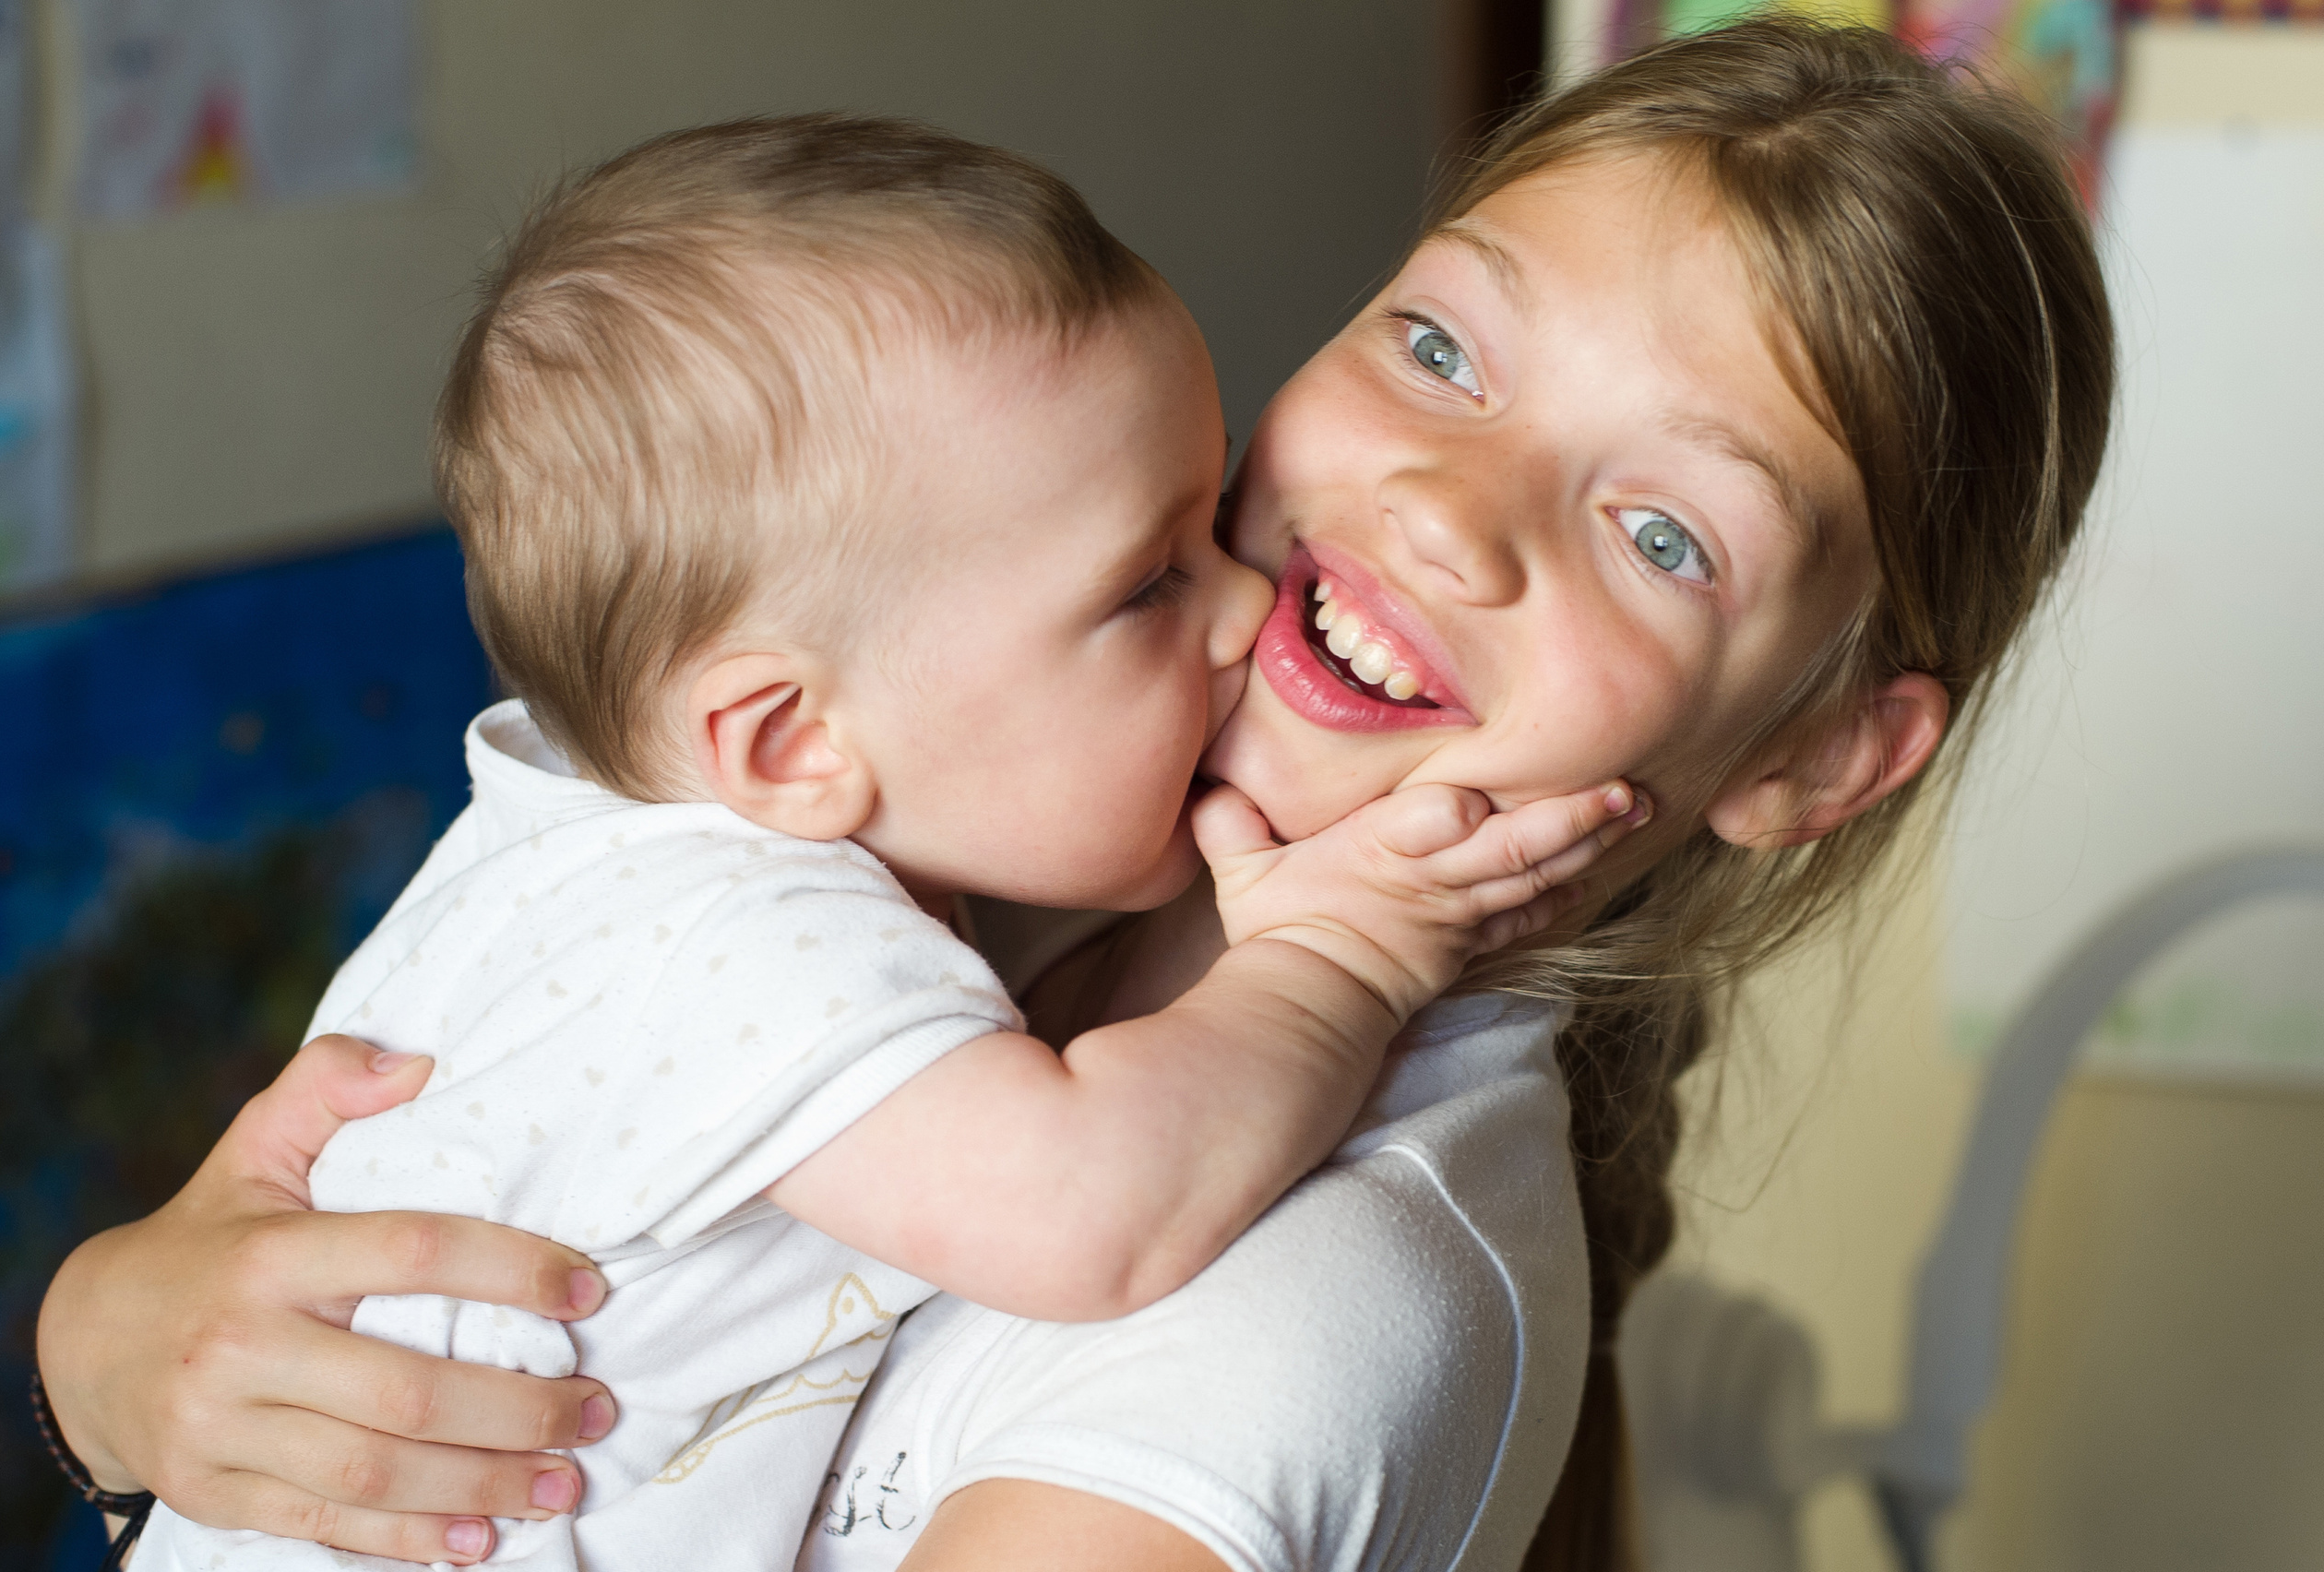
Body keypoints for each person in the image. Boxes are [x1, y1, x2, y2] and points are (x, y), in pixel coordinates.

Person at [35, 21, 2114, 1572]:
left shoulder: (1308, 1308)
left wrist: (1348, 955)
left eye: (1663, 536)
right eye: (1440, 350)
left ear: (1808, 755)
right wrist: (108, 1354)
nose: (1443, 512)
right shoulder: (887, 860)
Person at [128, 116, 1638, 1572]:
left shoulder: (578, 820)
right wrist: (1341, 957)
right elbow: (1092, 1211)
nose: (1247, 605)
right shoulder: (748, 942)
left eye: (1208, 512)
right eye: (1145, 587)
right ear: (791, 745)